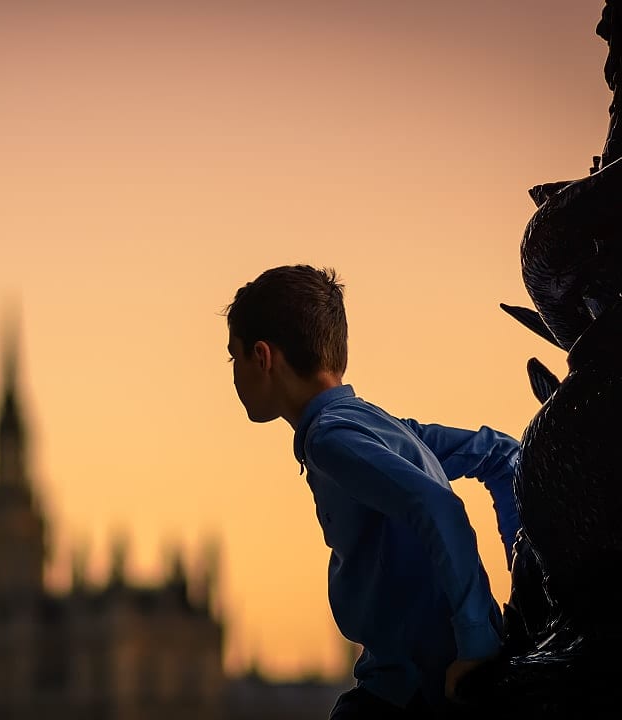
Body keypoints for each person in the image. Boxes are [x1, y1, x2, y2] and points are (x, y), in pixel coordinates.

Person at [223, 265, 521, 719]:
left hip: (418, 686)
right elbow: (502, 454)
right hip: (404, 675)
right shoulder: (381, 426)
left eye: (233, 358)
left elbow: (438, 506)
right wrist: (522, 579)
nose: (233, 374)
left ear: (262, 357)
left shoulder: (329, 439)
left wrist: (477, 642)